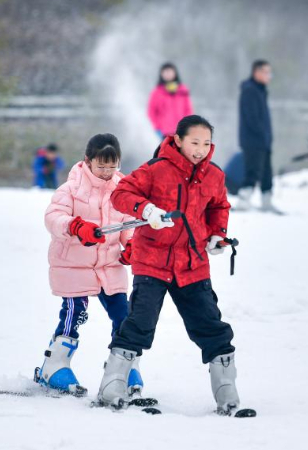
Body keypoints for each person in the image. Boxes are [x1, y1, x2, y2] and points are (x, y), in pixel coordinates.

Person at [96, 115, 244, 416]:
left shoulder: (214, 175)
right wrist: (147, 210)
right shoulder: (156, 169)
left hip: (193, 264)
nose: (200, 149)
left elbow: (219, 206)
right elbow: (120, 195)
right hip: (153, 261)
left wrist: (217, 235)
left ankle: (226, 388)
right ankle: (112, 383)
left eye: (206, 143)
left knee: (210, 324)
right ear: (178, 140)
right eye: (194, 142)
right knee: (140, 322)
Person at [37, 134, 140, 396]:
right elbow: (53, 218)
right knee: (75, 312)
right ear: (88, 160)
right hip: (74, 265)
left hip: (109, 266)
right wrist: (76, 226)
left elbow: (128, 224)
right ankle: (54, 365)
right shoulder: (71, 189)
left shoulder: (123, 191)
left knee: (124, 316)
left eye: (112, 166)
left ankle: (122, 367)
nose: (106, 172)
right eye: (101, 166)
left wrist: (132, 245)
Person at [236, 59, 281, 214]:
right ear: (256, 72)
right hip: (252, 140)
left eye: (270, 72)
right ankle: (243, 201)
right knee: (252, 171)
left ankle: (266, 201)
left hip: (264, 140)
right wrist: (262, 133)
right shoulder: (250, 90)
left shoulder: (261, 90)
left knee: (267, 172)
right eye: (266, 72)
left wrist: (267, 136)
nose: (269, 76)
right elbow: (251, 118)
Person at [147, 62, 193, 139]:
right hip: (165, 134)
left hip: (181, 132)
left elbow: (188, 110)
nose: (168, 74)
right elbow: (151, 112)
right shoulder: (156, 92)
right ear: (161, 74)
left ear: (175, 73)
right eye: (165, 72)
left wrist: (187, 126)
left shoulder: (183, 90)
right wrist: (158, 128)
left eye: (170, 71)